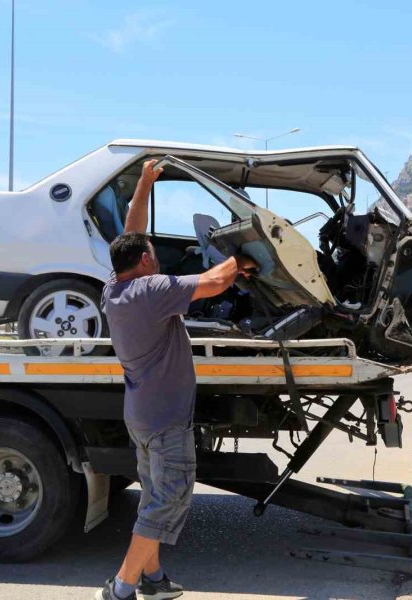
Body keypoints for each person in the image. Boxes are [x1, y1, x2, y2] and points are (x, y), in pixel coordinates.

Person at [97, 159, 257, 600]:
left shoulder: (116, 290)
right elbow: (212, 282)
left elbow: (129, 235)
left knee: (153, 498)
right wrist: (241, 257)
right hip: (165, 422)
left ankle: (152, 579)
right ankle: (122, 586)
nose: (154, 252)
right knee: (166, 502)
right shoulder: (153, 290)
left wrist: (145, 184)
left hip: (144, 417)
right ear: (147, 259)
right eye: (151, 250)